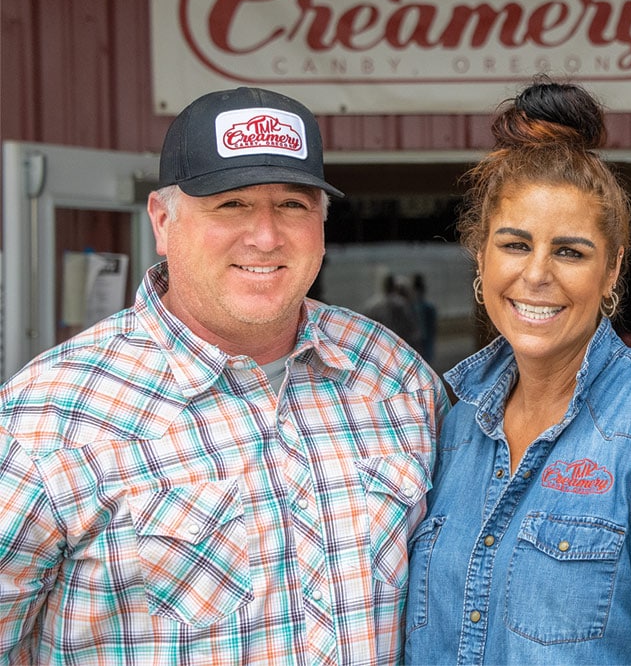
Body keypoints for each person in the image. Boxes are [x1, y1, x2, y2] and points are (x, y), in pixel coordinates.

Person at [0, 87, 449, 665]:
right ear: (163, 221)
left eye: (293, 204)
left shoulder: (394, 376)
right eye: (231, 204)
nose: (265, 236)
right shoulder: (45, 418)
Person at [403, 78, 631, 665]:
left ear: (613, 269)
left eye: (570, 251)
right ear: (481, 255)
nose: (537, 274)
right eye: (515, 245)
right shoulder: (453, 423)